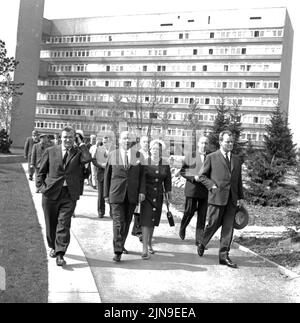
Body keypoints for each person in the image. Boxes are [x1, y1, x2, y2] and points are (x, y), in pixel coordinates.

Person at [36, 126, 91, 266]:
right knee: (51, 224)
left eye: (71, 137)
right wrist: (41, 187)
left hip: (69, 194)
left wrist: (82, 144)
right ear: (61, 137)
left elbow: (87, 159)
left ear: (75, 138)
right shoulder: (51, 151)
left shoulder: (78, 153)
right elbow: (41, 171)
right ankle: (53, 246)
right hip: (51, 193)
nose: (67, 139)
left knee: (64, 224)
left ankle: (60, 253)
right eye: (65, 137)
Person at [198, 130, 244, 268]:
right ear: (220, 142)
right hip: (217, 198)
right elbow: (202, 176)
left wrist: (240, 197)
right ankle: (202, 242)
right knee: (212, 224)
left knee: (228, 229)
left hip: (232, 200)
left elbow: (238, 180)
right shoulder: (212, 157)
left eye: (231, 142)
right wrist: (211, 186)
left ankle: (224, 256)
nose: (230, 144)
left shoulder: (236, 159)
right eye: (227, 141)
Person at [104, 131, 146, 262]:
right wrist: (105, 194)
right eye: (124, 138)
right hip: (116, 193)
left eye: (129, 138)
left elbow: (142, 176)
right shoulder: (113, 155)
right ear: (119, 140)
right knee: (118, 222)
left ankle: (121, 245)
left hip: (132, 194)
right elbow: (107, 176)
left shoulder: (139, 156)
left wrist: (142, 192)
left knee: (127, 222)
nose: (126, 140)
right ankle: (117, 251)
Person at [140, 139, 172, 260]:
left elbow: (167, 180)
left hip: (158, 195)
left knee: (153, 220)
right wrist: (141, 192)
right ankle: (144, 249)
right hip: (146, 196)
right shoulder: (145, 162)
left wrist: (169, 192)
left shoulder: (165, 163)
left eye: (158, 149)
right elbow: (141, 179)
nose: (155, 151)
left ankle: (149, 243)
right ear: (150, 149)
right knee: (146, 220)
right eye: (153, 148)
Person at [179, 136, 209, 251]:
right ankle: (183, 226)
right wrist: (193, 177)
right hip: (192, 189)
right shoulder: (191, 155)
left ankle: (199, 240)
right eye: (202, 143)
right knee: (189, 211)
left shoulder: (210, 157)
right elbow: (183, 171)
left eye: (206, 143)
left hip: (205, 191)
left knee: (202, 216)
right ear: (198, 144)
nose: (204, 145)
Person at [131, 135, 150, 241]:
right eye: (144, 142)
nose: (146, 144)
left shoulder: (151, 154)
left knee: (145, 207)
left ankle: (138, 229)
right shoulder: (137, 154)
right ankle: (138, 231)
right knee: (138, 207)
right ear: (140, 143)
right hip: (139, 183)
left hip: (149, 183)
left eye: (147, 142)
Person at [92, 136, 111, 218]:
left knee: (112, 194)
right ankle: (101, 212)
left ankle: (112, 213)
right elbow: (93, 160)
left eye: (106, 142)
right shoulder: (99, 149)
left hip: (111, 175)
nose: (104, 143)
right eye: (103, 142)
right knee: (101, 195)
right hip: (101, 174)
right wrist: (100, 165)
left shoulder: (114, 150)